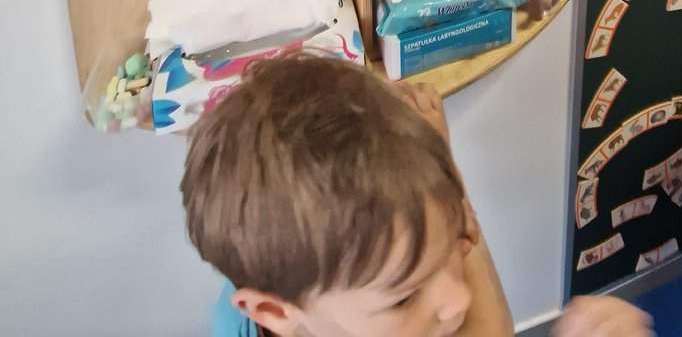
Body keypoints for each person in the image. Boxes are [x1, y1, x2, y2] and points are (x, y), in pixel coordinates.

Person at [181, 53, 653, 337]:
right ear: (273, 311)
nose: (459, 300)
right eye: (404, 299)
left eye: (460, 243)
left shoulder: (311, 274)